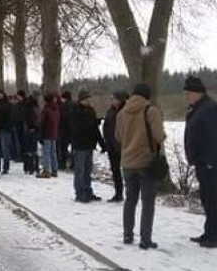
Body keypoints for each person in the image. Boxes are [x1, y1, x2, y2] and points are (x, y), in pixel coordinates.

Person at [116, 84, 165, 250]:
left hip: (127, 162)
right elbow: (159, 136)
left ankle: (127, 234)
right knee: (147, 202)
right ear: (147, 96)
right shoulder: (151, 111)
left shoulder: (122, 112)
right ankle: (145, 239)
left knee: (130, 200)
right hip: (145, 162)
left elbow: (118, 136)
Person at [184, 76, 217, 248]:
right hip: (202, 160)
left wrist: (210, 159)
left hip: (211, 160)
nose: (186, 96)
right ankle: (209, 232)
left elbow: (215, 136)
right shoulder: (198, 108)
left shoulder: (211, 109)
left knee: (213, 197)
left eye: (188, 93)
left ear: (197, 93)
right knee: (206, 197)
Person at [71, 90, 106, 202]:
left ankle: (87, 191)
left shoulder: (91, 111)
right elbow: (77, 129)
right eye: (86, 99)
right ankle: (80, 193)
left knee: (87, 170)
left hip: (89, 145)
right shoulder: (75, 111)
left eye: (88, 99)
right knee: (80, 170)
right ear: (81, 100)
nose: (88, 101)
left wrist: (102, 143)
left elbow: (95, 130)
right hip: (79, 145)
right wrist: (92, 124)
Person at [103, 90, 129, 202]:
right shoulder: (110, 111)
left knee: (127, 171)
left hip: (124, 146)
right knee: (115, 170)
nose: (111, 101)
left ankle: (130, 193)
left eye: (113, 98)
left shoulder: (126, 111)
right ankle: (118, 193)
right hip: (111, 145)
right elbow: (106, 126)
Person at [39, 93, 61, 178]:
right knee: (53, 152)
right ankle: (54, 170)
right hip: (54, 133)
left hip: (46, 133)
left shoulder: (46, 110)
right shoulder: (56, 109)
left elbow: (42, 123)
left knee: (46, 153)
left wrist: (41, 135)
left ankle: (46, 170)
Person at [22, 91, 41, 175]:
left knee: (32, 148)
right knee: (31, 149)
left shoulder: (34, 105)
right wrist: (32, 127)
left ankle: (32, 166)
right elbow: (29, 117)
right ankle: (31, 166)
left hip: (34, 128)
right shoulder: (30, 106)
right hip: (31, 128)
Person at [0, 91, 13, 175]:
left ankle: (6, 167)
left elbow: (8, 118)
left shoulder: (7, 105)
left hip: (5, 129)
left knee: (5, 149)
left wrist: (6, 126)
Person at [58, 91, 74, 170]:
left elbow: (62, 118)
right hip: (73, 129)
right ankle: (73, 164)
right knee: (74, 147)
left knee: (63, 147)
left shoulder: (63, 107)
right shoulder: (74, 105)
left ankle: (62, 164)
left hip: (65, 130)